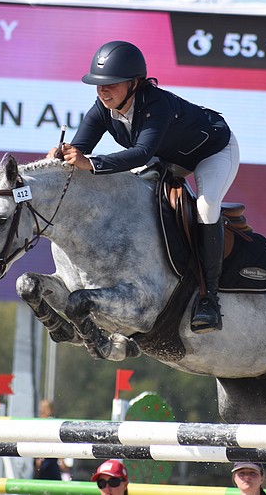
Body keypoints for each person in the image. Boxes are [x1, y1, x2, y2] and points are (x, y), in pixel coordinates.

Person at [55, 40, 241, 333]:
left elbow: (141, 153)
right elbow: (78, 148)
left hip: (212, 151)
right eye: (98, 84)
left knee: (206, 206)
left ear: (135, 83)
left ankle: (209, 299)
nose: (103, 90)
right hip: (168, 157)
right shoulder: (103, 108)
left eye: (111, 84)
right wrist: (58, 158)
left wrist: (90, 164)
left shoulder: (157, 104)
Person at [33, 399, 64, 481]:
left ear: (51, 410)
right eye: (41, 407)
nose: (41, 410)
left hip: (50, 461)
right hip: (41, 462)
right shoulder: (37, 423)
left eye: (45, 408)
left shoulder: (53, 424)